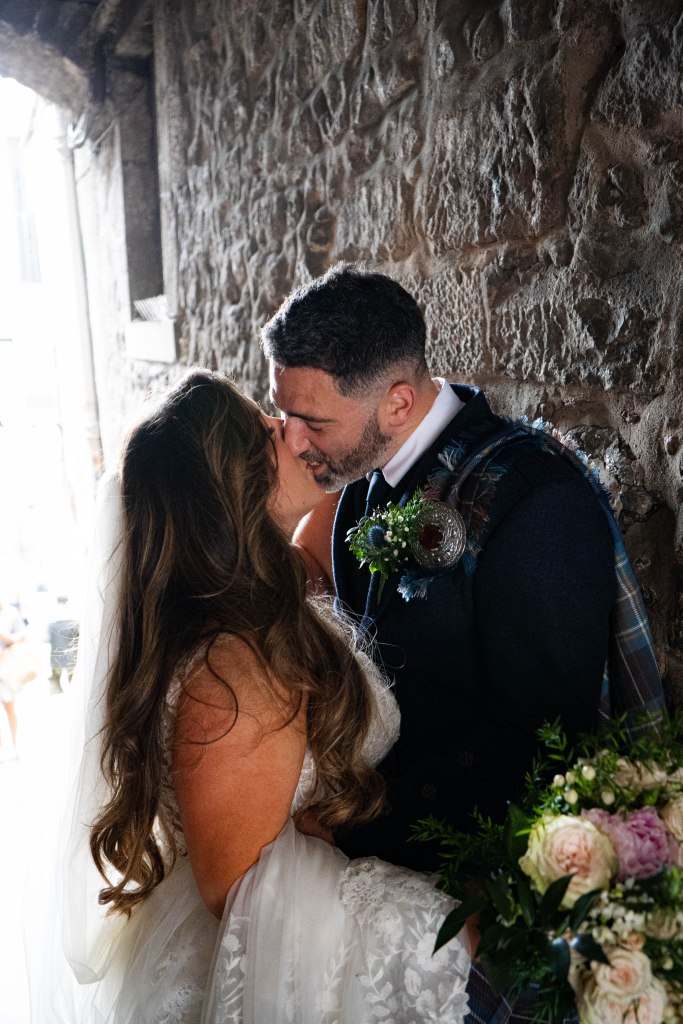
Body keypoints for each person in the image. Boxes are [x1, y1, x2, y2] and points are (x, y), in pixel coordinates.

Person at [32, 370, 471, 1024]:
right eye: (268, 430)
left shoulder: (261, 605)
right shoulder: (236, 673)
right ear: (234, 490)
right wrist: (441, 926)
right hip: (259, 979)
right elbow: (246, 899)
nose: (291, 432)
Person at [261, 264, 664, 868]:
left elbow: (539, 741)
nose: (292, 441)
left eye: (314, 423)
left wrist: (361, 825)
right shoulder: (356, 485)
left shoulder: (536, 500)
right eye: (284, 413)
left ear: (398, 403)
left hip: (470, 868)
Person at [0, 594, 26, 757]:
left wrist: (6, 637)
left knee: (9, 706)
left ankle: (14, 745)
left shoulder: (10, 613)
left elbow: (22, 636)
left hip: (6, 668)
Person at [46, 595, 79, 694]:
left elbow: (45, 638)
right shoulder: (73, 616)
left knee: (56, 677)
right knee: (73, 679)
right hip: (71, 654)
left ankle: (56, 692)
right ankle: (74, 695)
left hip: (56, 653)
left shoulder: (52, 617)